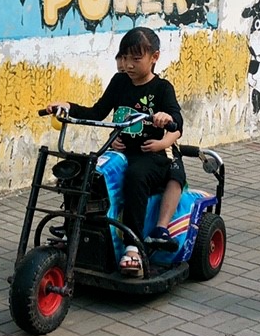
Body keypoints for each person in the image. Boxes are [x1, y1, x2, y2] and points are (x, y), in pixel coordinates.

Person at [45, 27, 184, 277]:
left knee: (136, 175)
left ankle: (133, 247)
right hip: (123, 152)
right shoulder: (119, 82)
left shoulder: (162, 88)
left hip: (151, 155)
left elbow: (177, 124)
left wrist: (163, 136)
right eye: (124, 58)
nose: (128, 65)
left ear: (154, 57)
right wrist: (67, 106)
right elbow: (97, 112)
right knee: (88, 172)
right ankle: (76, 231)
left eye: (135, 58)